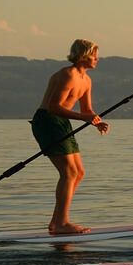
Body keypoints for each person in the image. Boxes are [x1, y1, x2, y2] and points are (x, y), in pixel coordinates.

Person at [31, 39, 108, 234]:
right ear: (83, 55)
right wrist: (85, 118)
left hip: (61, 123)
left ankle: (56, 222)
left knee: (78, 172)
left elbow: (86, 109)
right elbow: (54, 107)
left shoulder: (86, 80)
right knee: (68, 173)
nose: (97, 59)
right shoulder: (68, 75)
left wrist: (97, 122)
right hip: (47, 121)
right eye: (94, 55)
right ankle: (61, 223)